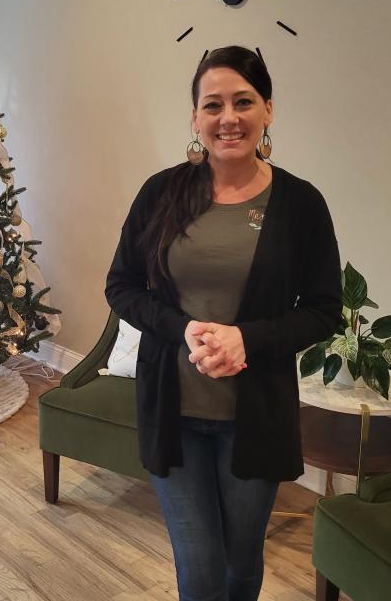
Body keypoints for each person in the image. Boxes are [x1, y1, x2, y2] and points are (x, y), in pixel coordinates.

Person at [105, 46, 342, 601]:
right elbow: (121, 286)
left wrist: (247, 339)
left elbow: (325, 308)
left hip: (253, 418)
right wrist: (179, 327)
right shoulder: (160, 192)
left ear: (268, 111)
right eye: (212, 105)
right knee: (201, 569)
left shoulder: (302, 204)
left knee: (241, 561)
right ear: (194, 118)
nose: (228, 118)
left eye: (243, 102)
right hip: (173, 412)